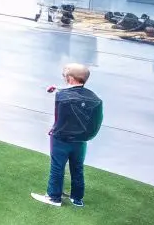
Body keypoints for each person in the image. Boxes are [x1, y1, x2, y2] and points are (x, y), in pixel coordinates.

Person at [33, 62, 105, 208]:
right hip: (81, 142)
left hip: (61, 139)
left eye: (65, 75)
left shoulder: (62, 96)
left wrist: (54, 131)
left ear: (70, 78)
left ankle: (54, 197)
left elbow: (59, 118)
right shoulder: (95, 99)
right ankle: (77, 198)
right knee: (77, 168)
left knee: (57, 167)